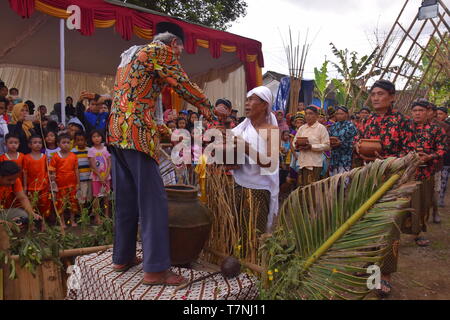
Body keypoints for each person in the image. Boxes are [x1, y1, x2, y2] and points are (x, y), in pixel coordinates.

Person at [106, 24, 227, 286]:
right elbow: (181, 83)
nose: (179, 55)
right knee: (154, 203)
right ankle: (156, 269)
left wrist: (162, 131)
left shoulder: (130, 56)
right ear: (173, 43)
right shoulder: (160, 51)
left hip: (117, 131)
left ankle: (122, 257)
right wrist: (208, 108)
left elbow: (134, 100)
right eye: (180, 50)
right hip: (136, 134)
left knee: (126, 198)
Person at [355, 79, 413, 298]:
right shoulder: (367, 120)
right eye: (373, 94)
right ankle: (371, 268)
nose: (376, 98)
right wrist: (359, 150)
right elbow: (357, 141)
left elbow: (411, 153)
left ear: (392, 97)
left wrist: (388, 159)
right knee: (367, 223)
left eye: (380, 94)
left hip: (392, 182)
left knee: (389, 227)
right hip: (368, 179)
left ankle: (385, 275)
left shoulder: (402, 121)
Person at [231, 86, 279, 235]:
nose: (247, 103)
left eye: (251, 99)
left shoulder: (271, 131)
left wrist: (247, 149)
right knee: (235, 232)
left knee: (253, 236)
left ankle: (252, 259)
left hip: (259, 190)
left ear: (265, 105)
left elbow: (270, 164)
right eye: (247, 100)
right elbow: (231, 163)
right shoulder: (240, 130)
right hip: (237, 186)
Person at [404, 100, 446, 247]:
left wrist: (429, 156)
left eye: (420, 110)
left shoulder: (436, 129)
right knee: (403, 201)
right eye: (414, 110)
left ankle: (419, 232)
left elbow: (442, 150)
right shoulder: (405, 127)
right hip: (405, 172)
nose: (417, 113)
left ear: (428, 112)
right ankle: (401, 230)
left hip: (425, 172)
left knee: (422, 203)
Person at [293, 105, 330, 187]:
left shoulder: (321, 128)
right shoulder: (302, 128)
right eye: (306, 114)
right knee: (301, 187)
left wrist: (311, 147)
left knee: (311, 189)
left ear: (316, 116)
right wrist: (297, 145)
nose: (308, 116)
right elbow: (294, 141)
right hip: (302, 162)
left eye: (311, 113)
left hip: (314, 163)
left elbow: (327, 145)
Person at [0, 161, 42, 230]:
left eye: (14, 179)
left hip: (3, 211)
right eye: (9, 180)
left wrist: (32, 214)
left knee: (23, 215)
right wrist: (6, 223)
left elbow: (23, 198)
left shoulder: (15, 180)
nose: (12, 182)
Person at [49, 133, 80, 228]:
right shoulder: (55, 156)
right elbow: (52, 170)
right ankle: (62, 222)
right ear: (58, 144)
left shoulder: (73, 156)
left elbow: (76, 170)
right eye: (63, 142)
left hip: (72, 184)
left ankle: (72, 220)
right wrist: (53, 182)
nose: (66, 144)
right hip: (60, 184)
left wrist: (78, 183)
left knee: (73, 203)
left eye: (68, 142)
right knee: (61, 204)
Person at [22, 135, 51, 219]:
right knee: (31, 205)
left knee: (44, 205)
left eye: (39, 143)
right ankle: (31, 224)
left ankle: (43, 223)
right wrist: (25, 186)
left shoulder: (44, 156)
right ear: (29, 145)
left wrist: (49, 183)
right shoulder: (26, 157)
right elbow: (25, 172)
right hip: (31, 186)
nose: (38, 144)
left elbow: (47, 170)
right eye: (35, 142)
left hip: (43, 186)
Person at [88, 130, 111, 225]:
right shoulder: (91, 150)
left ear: (102, 137)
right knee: (96, 198)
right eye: (94, 136)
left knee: (106, 197)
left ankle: (106, 216)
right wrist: (99, 176)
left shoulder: (105, 149)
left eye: (98, 136)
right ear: (91, 139)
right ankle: (97, 217)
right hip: (96, 178)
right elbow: (92, 165)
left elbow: (109, 163)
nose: (96, 138)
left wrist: (106, 175)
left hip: (106, 178)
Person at [329, 106, 357, 175]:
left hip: (345, 158)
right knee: (333, 181)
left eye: (341, 114)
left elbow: (353, 143)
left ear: (347, 114)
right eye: (337, 114)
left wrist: (341, 143)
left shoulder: (351, 126)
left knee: (343, 181)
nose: (339, 116)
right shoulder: (333, 126)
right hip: (334, 158)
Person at [71, 132, 92, 210]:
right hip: (79, 179)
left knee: (89, 197)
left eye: (82, 140)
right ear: (75, 141)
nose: (80, 142)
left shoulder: (89, 150)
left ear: (85, 140)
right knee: (81, 198)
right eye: (78, 140)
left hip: (89, 178)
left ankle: (88, 214)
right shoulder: (73, 152)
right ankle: (83, 214)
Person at [436, 107, 450, 207]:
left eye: (441, 114)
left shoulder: (447, 127)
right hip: (435, 158)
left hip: (446, 158)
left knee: (444, 178)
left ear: (446, 115)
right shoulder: (431, 126)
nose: (438, 116)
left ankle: (441, 198)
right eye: (437, 114)